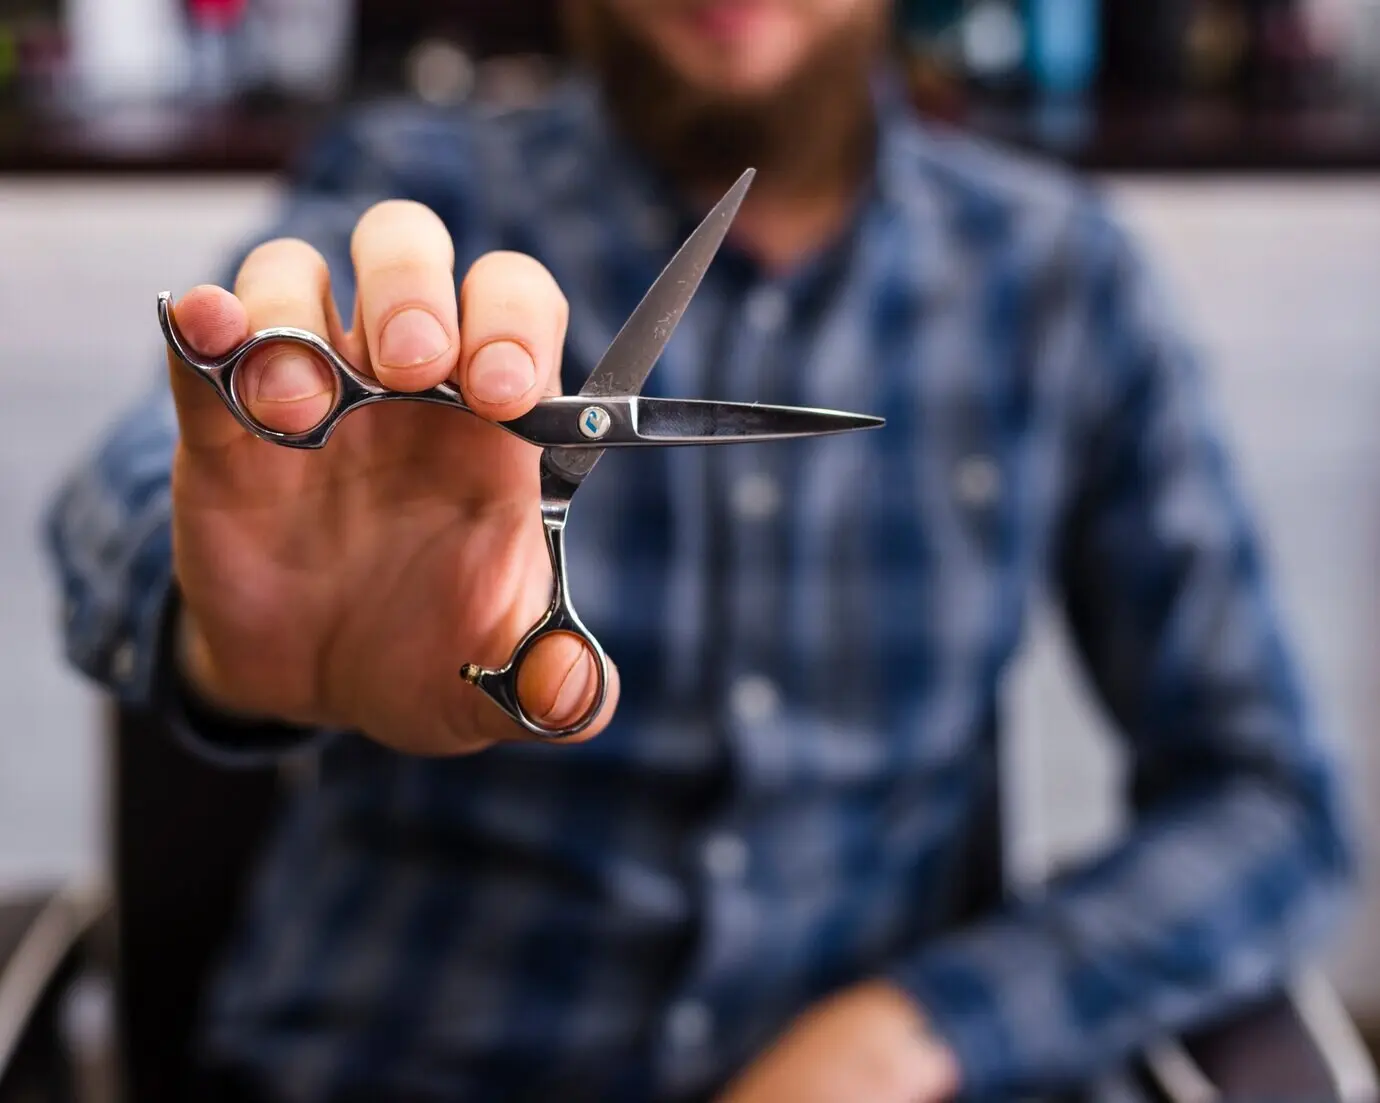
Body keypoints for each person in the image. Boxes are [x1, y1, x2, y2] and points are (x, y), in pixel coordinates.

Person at [45, 1, 1354, 1100]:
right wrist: (225, 630)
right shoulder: (416, 192)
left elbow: (1274, 803)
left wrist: (920, 1029)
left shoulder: (1059, 279)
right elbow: (113, 503)